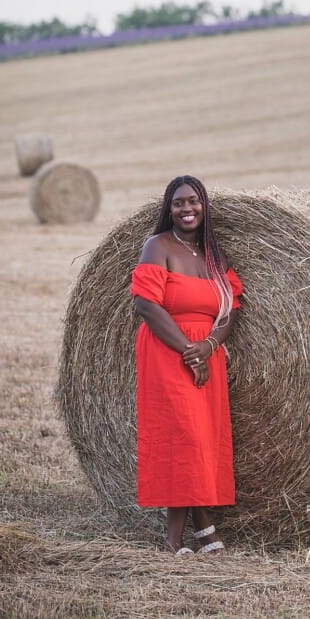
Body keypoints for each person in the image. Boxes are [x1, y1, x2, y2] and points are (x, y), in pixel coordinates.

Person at [130, 174, 243, 554]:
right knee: (183, 438)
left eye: (193, 201)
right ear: (169, 209)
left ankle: (202, 527)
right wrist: (188, 351)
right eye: (179, 202)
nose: (187, 208)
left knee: (200, 440)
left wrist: (209, 345)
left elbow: (229, 310)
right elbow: (147, 305)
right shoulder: (157, 246)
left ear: (204, 205)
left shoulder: (213, 256)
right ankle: (175, 540)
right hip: (167, 351)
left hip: (205, 353)